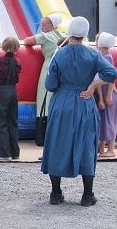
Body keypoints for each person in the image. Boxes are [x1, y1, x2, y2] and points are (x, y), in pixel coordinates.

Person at [41, 16, 117, 207]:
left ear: (70, 32)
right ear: (86, 35)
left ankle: (56, 193)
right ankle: (87, 195)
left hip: (61, 103)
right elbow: (111, 73)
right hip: (84, 102)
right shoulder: (93, 54)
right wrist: (93, 86)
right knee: (87, 144)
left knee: (57, 142)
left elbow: (50, 85)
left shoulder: (59, 54)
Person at [23, 14, 64, 145]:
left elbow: (27, 40)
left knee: (43, 99)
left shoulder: (47, 36)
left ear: (52, 25)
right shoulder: (62, 35)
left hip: (48, 68)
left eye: (45, 24)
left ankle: (42, 136)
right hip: (60, 69)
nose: (42, 26)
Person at [0, 37, 21, 161]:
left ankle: (4, 153)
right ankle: (15, 152)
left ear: (4, 45)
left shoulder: (0, 60)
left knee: (1, 121)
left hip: (3, 90)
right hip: (14, 91)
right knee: (13, 121)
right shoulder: (18, 61)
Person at [95, 32, 117, 158]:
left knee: (109, 121)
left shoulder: (106, 57)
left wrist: (107, 96)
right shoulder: (101, 56)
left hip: (108, 94)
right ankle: (102, 149)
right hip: (103, 93)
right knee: (103, 121)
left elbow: (110, 77)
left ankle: (111, 149)